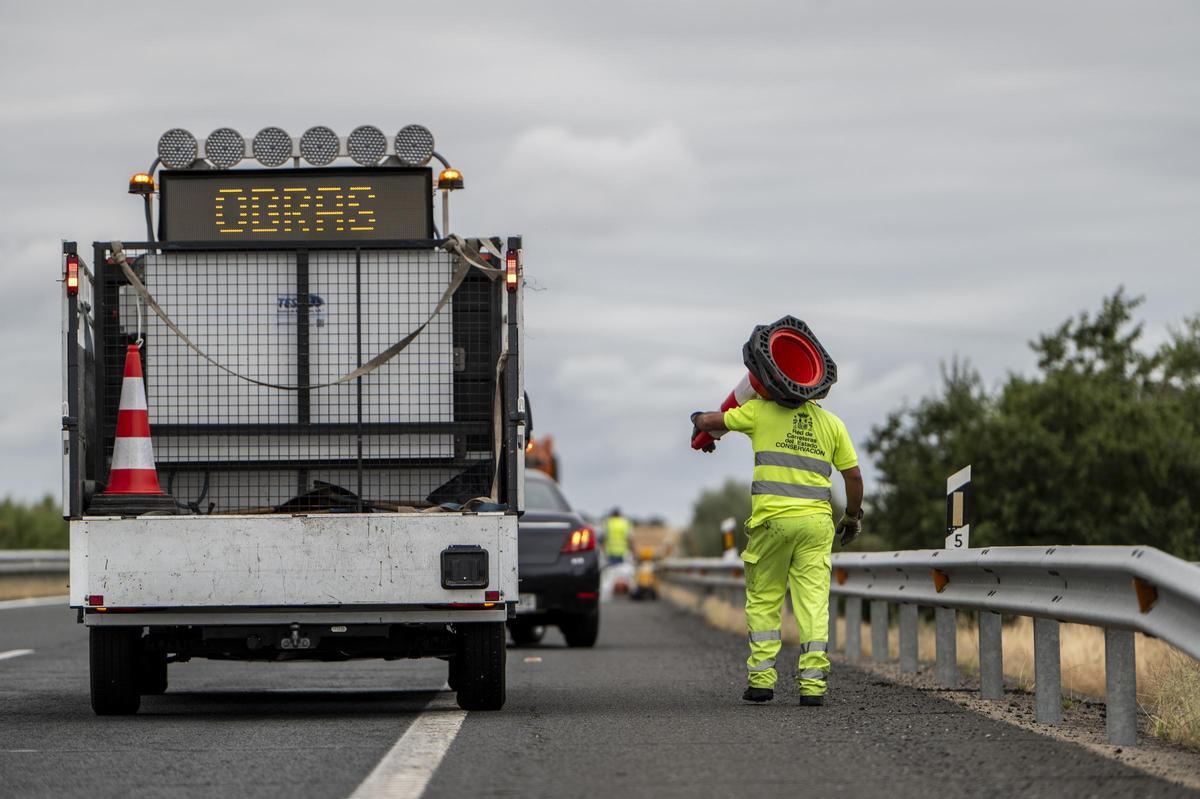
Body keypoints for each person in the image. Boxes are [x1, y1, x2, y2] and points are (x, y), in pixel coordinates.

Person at [690, 397, 863, 707]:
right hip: (816, 524)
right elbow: (853, 477)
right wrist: (851, 516)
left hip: (772, 523)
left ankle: (761, 681)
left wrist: (697, 419)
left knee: (764, 598)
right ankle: (812, 685)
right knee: (812, 603)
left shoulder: (759, 411)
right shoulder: (832, 424)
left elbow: (711, 422)